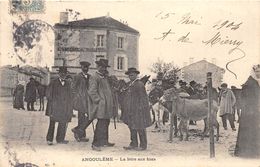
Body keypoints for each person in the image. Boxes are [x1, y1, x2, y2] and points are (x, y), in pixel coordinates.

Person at [121, 67, 152, 151]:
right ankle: (133, 144)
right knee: (132, 127)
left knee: (140, 127)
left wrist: (140, 109)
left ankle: (143, 145)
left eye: (132, 74)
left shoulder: (139, 84)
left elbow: (143, 98)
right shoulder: (130, 84)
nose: (130, 76)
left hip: (138, 110)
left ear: (136, 75)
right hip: (130, 110)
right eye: (129, 75)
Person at [88, 59, 114, 151]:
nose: (103, 69)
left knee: (106, 122)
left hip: (107, 105)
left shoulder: (105, 77)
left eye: (105, 67)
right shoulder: (94, 77)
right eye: (101, 67)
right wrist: (99, 101)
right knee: (101, 124)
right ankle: (95, 144)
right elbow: (92, 92)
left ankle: (104, 141)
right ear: (97, 67)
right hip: (101, 105)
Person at [235, 64, 260, 158]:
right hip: (250, 112)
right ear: (253, 72)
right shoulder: (249, 83)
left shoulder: (258, 81)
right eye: (257, 72)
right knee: (249, 131)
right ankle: (247, 153)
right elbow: (245, 98)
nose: (259, 74)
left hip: (257, 111)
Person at [45, 66, 73, 145]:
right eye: (61, 73)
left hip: (64, 107)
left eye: (64, 73)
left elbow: (70, 95)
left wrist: (70, 105)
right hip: (55, 107)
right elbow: (48, 94)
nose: (63, 74)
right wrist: (53, 102)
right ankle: (49, 139)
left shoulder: (68, 83)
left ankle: (60, 139)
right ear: (59, 73)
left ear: (66, 74)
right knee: (52, 123)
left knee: (63, 122)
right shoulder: (53, 82)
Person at [71, 61, 92, 142]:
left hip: (88, 100)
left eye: (87, 67)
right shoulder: (77, 76)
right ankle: (81, 136)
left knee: (90, 116)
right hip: (80, 100)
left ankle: (77, 130)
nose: (86, 68)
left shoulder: (90, 76)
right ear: (81, 67)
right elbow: (73, 87)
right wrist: (76, 96)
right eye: (84, 67)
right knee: (81, 117)